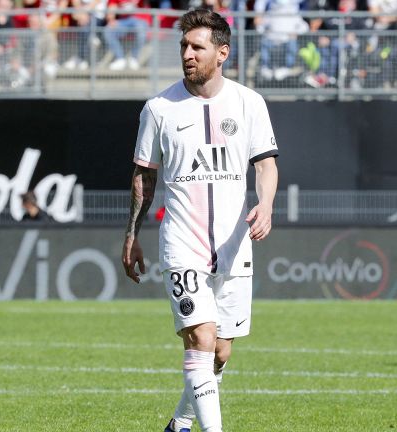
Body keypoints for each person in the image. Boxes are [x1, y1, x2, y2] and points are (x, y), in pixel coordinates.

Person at [121, 9, 279, 432]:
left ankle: (179, 423)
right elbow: (144, 176)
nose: (187, 54)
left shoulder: (249, 103)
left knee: (220, 352)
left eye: (197, 47)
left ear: (222, 53)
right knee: (201, 339)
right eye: (184, 47)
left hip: (234, 243)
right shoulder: (158, 109)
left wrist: (265, 204)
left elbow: (265, 165)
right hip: (182, 243)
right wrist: (132, 234)